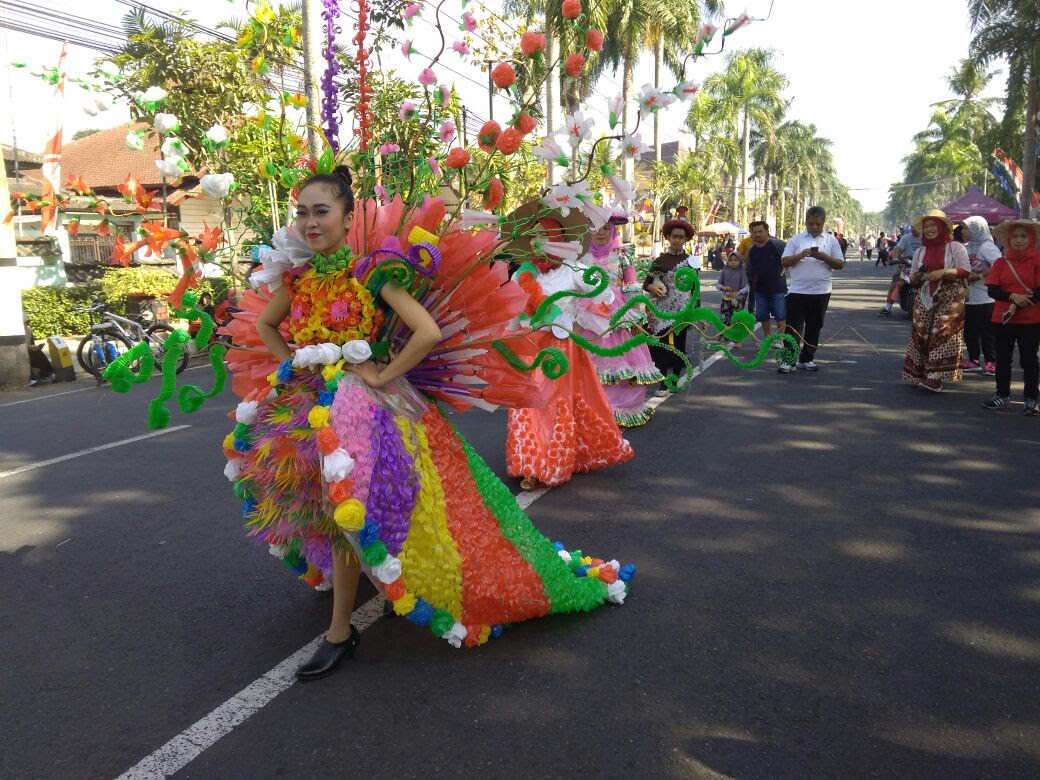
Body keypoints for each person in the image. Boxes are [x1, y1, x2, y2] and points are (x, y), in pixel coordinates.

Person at [224, 167, 633, 680]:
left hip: (363, 411)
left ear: (348, 218)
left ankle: (339, 631)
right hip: (305, 405)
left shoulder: (370, 273)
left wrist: (379, 375)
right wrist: (294, 363)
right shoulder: (297, 278)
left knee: (349, 506)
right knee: (329, 510)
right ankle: (346, 617)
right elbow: (265, 323)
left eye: (321, 211)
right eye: (302, 212)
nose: (309, 222)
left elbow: (426, 330)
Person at [505, 210, 635, 487]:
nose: (537, 241)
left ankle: (553, 460)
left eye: (544, 235)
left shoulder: (572, 271)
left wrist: (590, 276)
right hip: (530, 347)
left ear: (557, 239)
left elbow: (604, 295)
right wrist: (506, 341)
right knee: (529, 405)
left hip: (561, 349)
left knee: (553, 404)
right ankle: (532, 462)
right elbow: (513, 315)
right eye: (533, 236)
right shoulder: (522, 273)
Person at [574, 210, 664, 428]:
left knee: (622, 362)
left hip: (619, 314)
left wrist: (639, 314)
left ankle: (620, 409)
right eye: (595, 227)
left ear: (613, 230)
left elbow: (632, 287)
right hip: (586, 315)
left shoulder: (623, 255)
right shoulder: (578, 255)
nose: (601, 232)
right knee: (588, 363)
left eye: (606, 228)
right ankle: (590, 409)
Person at [900, 209, 971, 392]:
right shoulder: (920, 251)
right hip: (924, 296)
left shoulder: (956, 247)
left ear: (942, 227)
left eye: (933, 225)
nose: (930, 229)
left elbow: (965, 271)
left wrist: (943, 272)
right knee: (921, 333)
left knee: (942, 331)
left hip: (951, 295)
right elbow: (914, 279)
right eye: (926, 226)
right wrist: (916, 277)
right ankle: (922, 373)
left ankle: (935, 377)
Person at [982, 219, 1040, 414]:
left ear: (1031, 238)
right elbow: (992, 290)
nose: (1018, 240)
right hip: (1002, 318)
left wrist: (1020, 303)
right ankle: (1002, 395)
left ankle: (1031, 399)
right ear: (1008, 239)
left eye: (1023, 236)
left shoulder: (1038, 260)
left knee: (1029, 360)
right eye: (1015, 236)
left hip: (1031, 320)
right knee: (1003, 358)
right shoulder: (1000, 262)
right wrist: (1012, 297)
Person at [780, 206, 845, 373]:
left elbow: (840, 264)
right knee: (793, 327)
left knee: (814, 326)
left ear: (823, 222)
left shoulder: (831, 241)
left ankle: (807, 359)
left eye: (818, 224)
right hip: (798, 290)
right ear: (805, 222)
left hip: (821, 291)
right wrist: (801, 255)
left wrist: (823, 257)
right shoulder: (796, 240)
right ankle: (788, 360)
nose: (814, 227)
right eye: (811, 223)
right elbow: (785, 261)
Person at [644, 218, 697, 391]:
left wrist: (696, 312)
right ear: (668, 237)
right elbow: (647, 283)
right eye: (674, 236)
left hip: (683, 309)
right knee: (662, 346)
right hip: (662, 310)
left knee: (679, 346)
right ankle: (662, 383)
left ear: (686, 239)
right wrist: (652, 286)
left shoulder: (692, 262)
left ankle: (673, 381)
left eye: (681, 237)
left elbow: (696, 288)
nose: (677, 240)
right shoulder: (660, 260)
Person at [961, 216, 1000, 374]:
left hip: (986, 298)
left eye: (966, 228)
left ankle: (991, 362)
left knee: (987, 333)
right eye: (963, 228)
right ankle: (974, 360)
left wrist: (979, 276)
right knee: (969, 331)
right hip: (969, 298)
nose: (963, 231)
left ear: (977, 229)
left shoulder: (987, 247)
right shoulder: (966, 247)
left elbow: (998, 264)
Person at [745, 220, 787, 351]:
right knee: (763, 315)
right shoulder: (752, 251)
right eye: (754, 232)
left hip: (778, 288)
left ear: (767, 232)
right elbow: (749, 269)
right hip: (760, 289)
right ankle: (768, 338)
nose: (757, 234)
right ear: (751, 233)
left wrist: (786, 266)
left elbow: (791, 254)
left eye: (760, 231)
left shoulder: (777, 244)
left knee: (780, 315)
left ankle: (780, 339)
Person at [877, 226, 921, 316]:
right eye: (914, 226)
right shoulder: (906, 238)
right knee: (896, 281)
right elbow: (897, 250)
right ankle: (887, 308)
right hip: (907, 265)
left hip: (923, 266)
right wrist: (895, 258)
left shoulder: (926, 238)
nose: (915, 229)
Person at [716, 252, 750, 339]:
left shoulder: (742, 271)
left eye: (736, 260)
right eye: (731, 260)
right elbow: (718, 284)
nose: (733, 262)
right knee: (724, 319)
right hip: (725, 299)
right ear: (727, 261)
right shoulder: (725, 270)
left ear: (740, 261)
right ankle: (723, 339)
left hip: (738, 300)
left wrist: (738, 292)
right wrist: (724, 288)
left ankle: (737, 339)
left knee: (737, 320)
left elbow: (746, 286)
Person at [25, 319, 54, 386]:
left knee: (38, 352)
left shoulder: (28, 330)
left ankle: (49, 373)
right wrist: (28, 347)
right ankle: (31, 379)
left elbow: (31, 343)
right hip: (21, 351)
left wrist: (34, 347)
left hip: (29, 350)